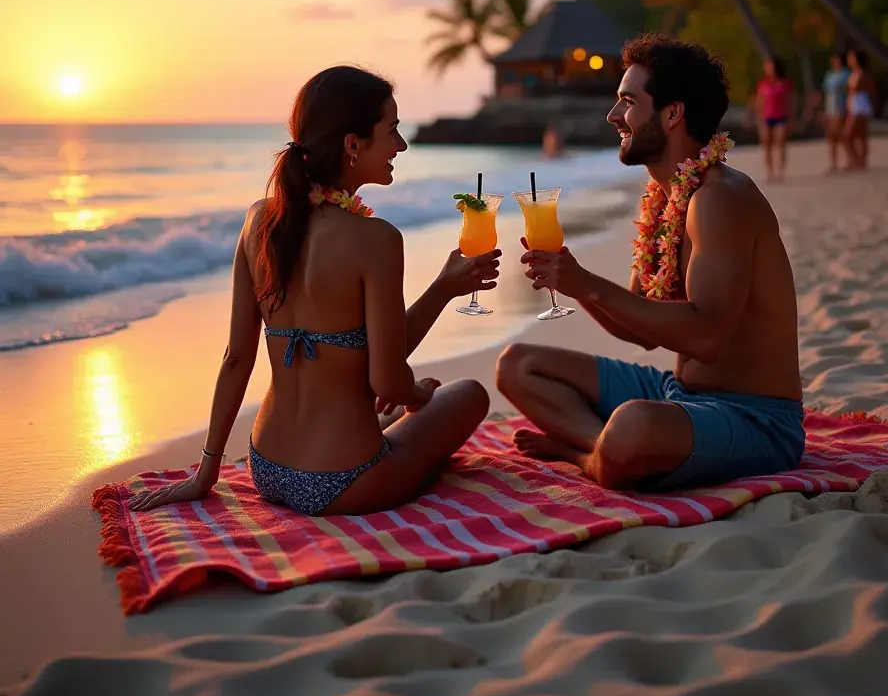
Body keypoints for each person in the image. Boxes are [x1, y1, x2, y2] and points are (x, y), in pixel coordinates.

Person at [131, 66, 496, 516]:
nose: (401, 146)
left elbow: (236, 358)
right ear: (352, 144)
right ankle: (390, 425)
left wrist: (206, 473)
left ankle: (385, 424)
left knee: (410, 405)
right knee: (468, 394)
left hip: (267, 469)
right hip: (347, 479)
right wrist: (417, 394)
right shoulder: (376, 239)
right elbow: (386, 381)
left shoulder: (259, 221)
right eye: (393, 131)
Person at [496, 34, 804, 492]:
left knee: (634, 426)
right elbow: (636, 332)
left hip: (754, 417)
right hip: (677, 393)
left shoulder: (719, 200)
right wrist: (576, 282)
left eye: (626, 102)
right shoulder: (665, 199)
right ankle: (600, 448)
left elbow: (707, 337)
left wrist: (588, 284)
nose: (613, 115)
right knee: (516, 365)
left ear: (672, 113)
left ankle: (591, 453)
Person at [749, 56, 796, 183]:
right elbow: (759, 102)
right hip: (767, 117)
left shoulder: (785, 83)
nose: (768, 69)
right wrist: (756, 117)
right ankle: (770, 171)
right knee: (767, 144)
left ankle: (781, 170)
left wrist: (792, 117)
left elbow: (790, 100)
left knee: (780, 142)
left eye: (770, 66)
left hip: (781, 116)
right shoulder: (763, 84)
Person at [815, 49, 851, 173]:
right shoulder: (829, 75)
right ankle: (833, 163)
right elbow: (826, 93)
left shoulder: (846, 74)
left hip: (840, 107)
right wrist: (822, 109)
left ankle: (850, 159)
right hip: (830, 107)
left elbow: (848, 91)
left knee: (841, 135)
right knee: (831, 137)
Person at [844, 49, 876, 170]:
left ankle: (857, 160)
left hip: (861, 105)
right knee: (860, 135)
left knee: (848, 135)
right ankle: (860, 162)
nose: (849, 60)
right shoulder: (853, 73)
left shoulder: (863, 74)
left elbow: (871, 90)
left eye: (851, 57)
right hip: (854, 104)